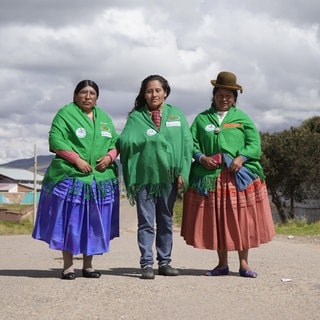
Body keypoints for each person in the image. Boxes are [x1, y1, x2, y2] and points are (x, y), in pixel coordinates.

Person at [181, 71, 275, 278]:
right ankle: (222, 264)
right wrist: (200, 157)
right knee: (218, 220)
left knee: (241, 220)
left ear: (235, 99)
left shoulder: (242, 118)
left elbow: (255, 145)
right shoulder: (201, 119)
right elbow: (190, 143)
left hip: (236, 178)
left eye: (229, 96)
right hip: (212, 178)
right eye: (220, 95)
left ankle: (244, 264)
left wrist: (241, 157)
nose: (224, 99)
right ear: (213, 96)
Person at [32, 80, 119, 280]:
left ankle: (88, 266)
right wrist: (76, 160)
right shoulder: (65, 114)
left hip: (99, 179)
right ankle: (68, 266)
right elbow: (56, 140)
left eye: (92, 93)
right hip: (72, 177)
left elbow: (115, 142)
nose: (88, 96)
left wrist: (109, 157)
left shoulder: (104, 117)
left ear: (97, 97)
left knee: (93, 223)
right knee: (71, 222)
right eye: (83, 92)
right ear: (75, 95)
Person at [118, 75, 193, 279]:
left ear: (165, 92)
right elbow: (124, 142)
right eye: (149, 91)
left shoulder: (177, 115)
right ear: (144, 94)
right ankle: (146, 264)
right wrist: (149, 139)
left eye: (158, 90)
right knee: (145, 223)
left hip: (169, 178)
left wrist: (183, 173)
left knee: (166, 221)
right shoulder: (136, 117)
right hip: (145, 178)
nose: (154, 94)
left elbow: (187, 146)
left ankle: (165, 262)